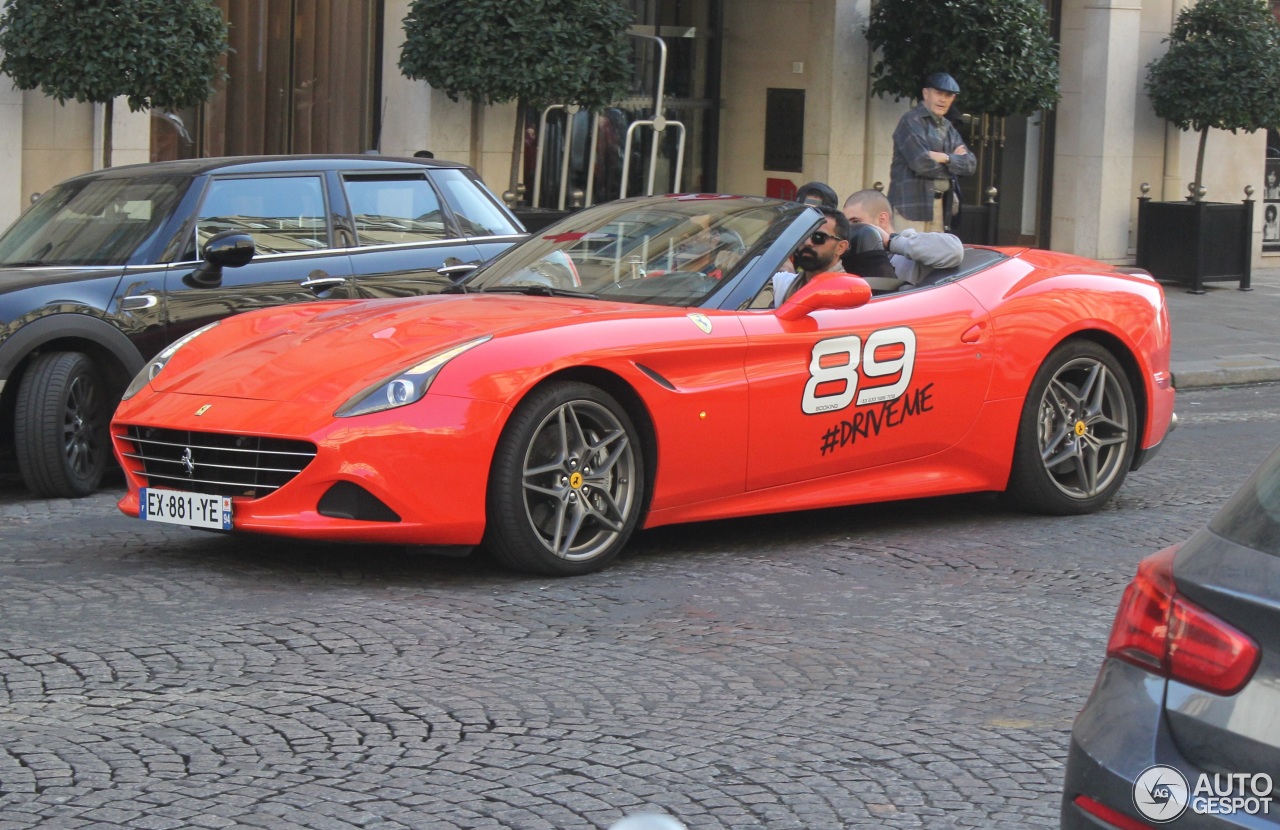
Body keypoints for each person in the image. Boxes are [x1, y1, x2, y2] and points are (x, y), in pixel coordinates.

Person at [888, 72, 977, 233]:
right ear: (926, 93)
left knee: (935, 257)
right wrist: (955, 165)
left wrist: (945, 158)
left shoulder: (948, 127)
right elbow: (921, 164)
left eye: (948, 95)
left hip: (940, 207)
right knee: (906, 257)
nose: (943, 99)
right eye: (938, 93)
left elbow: (970, 165)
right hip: (910, 205)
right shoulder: (911, 121)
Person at [843, 188, 963, 288]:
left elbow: (954, 250)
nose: (851, 229)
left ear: (882, 220)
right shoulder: (854, 252)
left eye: (856, 221)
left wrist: (891, 242)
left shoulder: (911, 246)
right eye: (846, 224)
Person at [771, 207, 853, 304]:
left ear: (840, 247)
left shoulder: (850, 292)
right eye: (803, 235)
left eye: (818, 237)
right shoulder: (783, 284)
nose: (807, 242)